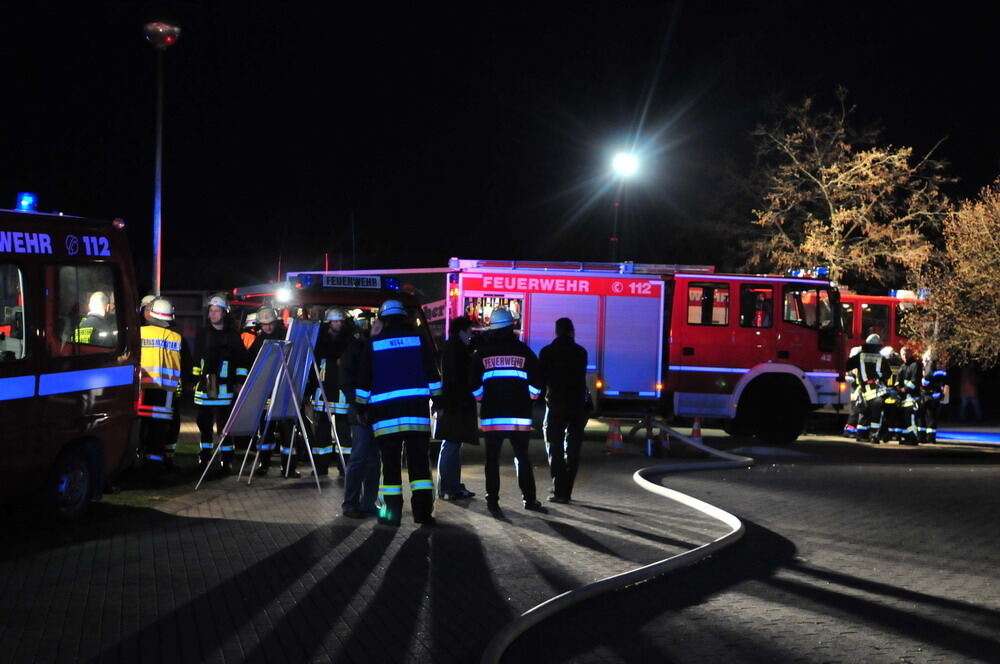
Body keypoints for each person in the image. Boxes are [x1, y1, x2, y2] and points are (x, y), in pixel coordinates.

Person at [356, 300, 441, 526]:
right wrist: (439, 402)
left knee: (390, 466)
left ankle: (391, 515)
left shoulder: (374, 343)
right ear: (404, 317)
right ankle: (423, 514)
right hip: (417, 414)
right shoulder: (418, 340)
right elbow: (432, 373)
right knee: (420, 466)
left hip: (385, 416)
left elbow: (364, 379)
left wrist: (361, 407)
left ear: (382, 320)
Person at [470, 308, 544, 512]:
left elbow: (474, 384)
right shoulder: (524, 351)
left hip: (492, 416)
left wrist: (482, 398)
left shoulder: (482, 353)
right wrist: (529, 398)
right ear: (512, 326)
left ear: (492, 328)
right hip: (519, 416)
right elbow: (537, 383)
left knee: (491, 459)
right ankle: (529, 500)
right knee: (522, 457)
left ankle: (492, 499)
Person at [192, 294, 248, 473]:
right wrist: (195, 381)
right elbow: (196, 360)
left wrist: (239, 381)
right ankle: (205, 456)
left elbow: (241, 361)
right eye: (211, 311)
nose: (213, 314)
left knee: (226, 426)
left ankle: (227, 459)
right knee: (204, 425)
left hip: (225, 388)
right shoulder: (202, 334)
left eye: (217, 311)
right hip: (205, 388)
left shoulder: (232, 335)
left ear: (224, 313)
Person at [539, 317, 589, 503]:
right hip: (577, 406)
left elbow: (541, 378)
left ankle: (559, 489)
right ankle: (567, 491)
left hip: (556, 405)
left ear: (557, 331)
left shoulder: (547, 352)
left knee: (555, 446)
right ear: (572, 331)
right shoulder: (581, 352)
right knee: (573, 448)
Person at [339, 317, 383, 519]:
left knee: (374, 460)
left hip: (379, 412)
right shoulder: (356, 348)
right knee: (358, 458)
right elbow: (346, 381)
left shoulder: (380, 348)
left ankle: (368, 503)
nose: (378, 330)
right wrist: (358, 407)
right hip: (361, 413)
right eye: (376, 327)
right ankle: (350, 504)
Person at [136, 297, 183, 479]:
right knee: (158, 433)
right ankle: (154, 470)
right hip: (166, 394)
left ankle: (136, 465)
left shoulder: (139, 333)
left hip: (142, 391)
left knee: (140, 429)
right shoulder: (175, 337)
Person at [306, 307, 354, 477]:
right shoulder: (319, 340)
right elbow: (313, 366)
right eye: (335, 321)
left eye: (340, 321)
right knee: (322, 432)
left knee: (343, 432)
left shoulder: (349, 340)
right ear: (329, 322)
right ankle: (320, 467)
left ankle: (345, 466)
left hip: (341, 392)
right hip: (323, 390)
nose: (338, 324)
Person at [434, 317, 478, 501]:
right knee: (451, 445)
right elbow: (456, 380)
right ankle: (449, 487)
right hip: (456, 405)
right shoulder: (456, 350)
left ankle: (451, 486)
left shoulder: (453, 348)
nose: (471, 335)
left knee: (452, 445)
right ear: (461, 331)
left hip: (452, 404)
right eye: (469, 331)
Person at [248, 306, 290, 475]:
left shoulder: (286, 338)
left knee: (287, 429)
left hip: (284, 389)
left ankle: (288, 467)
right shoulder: (258, 342)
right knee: (265, 429)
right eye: (264, 325)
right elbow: (250, 366)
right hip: (265, 391)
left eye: (270, 323)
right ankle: (264, 464)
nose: (268, 327)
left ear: (276, 322)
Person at [845, 333, 888, 443]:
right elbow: (887, 374)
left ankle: (861, 435)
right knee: (875, 415)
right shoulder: (881, 358)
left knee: (863, 413)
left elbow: (847, 366)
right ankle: (874, 435)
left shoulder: (860, 356)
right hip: (876, 391)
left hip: (863, 390)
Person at [920, 347, 947, 444]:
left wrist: (923, 380)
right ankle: (931, 437)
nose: (922, 361)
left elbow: (925, 382)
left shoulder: (929, 368)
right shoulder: (940, 367)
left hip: (929, 396)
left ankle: (926, 437)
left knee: (928, 417)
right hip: (936, 396)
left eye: (924, 359)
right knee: (932, 418)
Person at [897, 346, 922, 444]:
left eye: (906, 353)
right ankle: (907, 438)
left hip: (913, 397)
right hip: (905, 398)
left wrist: (904, 389)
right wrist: (898, 388)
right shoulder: (903, 365)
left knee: (912, 419)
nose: (905, 356)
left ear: (911, 354)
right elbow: (899, 379)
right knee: (906, 419)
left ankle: (913, 438)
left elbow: (914, 381)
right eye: (903, 354)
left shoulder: (915, 365)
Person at [842, 345, 863, 438]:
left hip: (854, 391)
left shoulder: (850, 365)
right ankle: (849, 431)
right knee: (855, 411)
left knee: (855, 410)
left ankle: (850, 430)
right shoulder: (855, 366)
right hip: (856, 392)